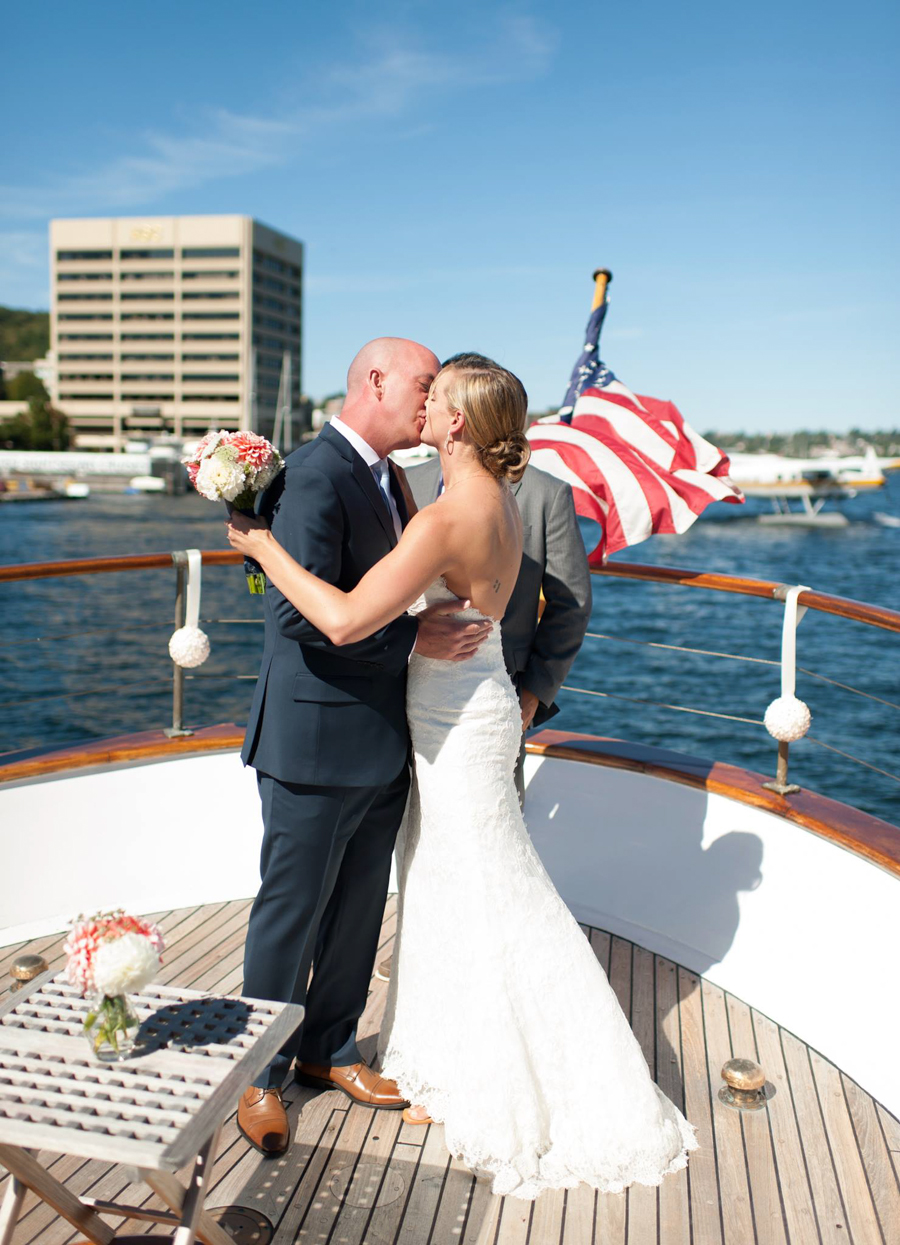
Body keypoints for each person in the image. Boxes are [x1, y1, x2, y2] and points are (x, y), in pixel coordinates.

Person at [227, 356, 697, 1199]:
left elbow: (339, 615)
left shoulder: (443, 515)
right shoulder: (503, 502)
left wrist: (257, 542)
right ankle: (414, 1054)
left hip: (450, 724)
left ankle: (466, 1066)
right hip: (462, 716)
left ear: (456, 426)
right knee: (464, 885)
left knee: (476, 886)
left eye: (436, 399)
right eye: (423, 389)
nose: (425, 405)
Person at [235, 337, 493, 1158]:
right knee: (291, 911)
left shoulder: (392, 478)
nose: (431, 402)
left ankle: (330, 1047)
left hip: (381, 735)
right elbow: (295, 616)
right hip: (313, 737)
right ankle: (259, 1074)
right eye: (423, 386)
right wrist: (413, 637)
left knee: (356, 908)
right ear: (375, 381)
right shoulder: (314, 473)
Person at [407, 352, 592, 804]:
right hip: (404, 694)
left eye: (433, 395)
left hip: (492, 697)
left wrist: (533, 692)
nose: (422, 404)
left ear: (460, 417)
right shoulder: (405, 482)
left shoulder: (547, 495)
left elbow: (573, 603)